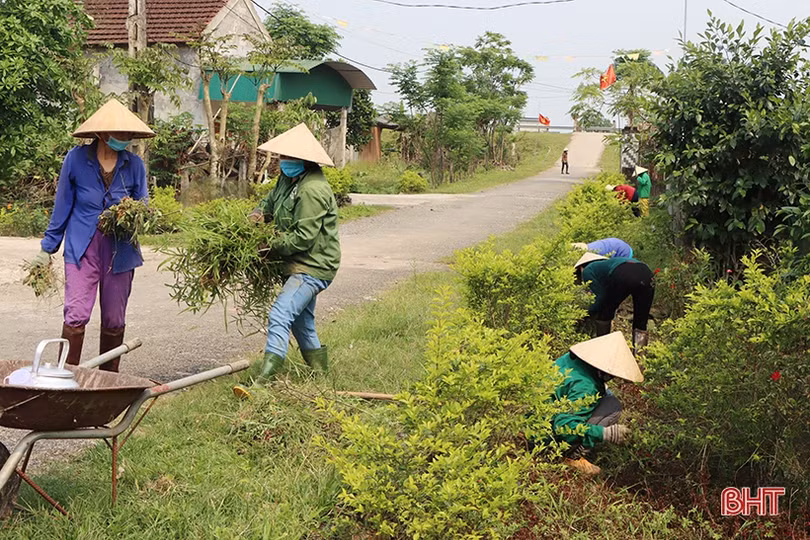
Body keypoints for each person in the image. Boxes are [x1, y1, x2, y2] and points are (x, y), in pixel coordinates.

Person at [29, 99, 153, 371]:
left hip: (120, 250)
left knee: (114, 317)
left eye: (127, 134)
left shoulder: (134, 165)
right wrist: (47, 248)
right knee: (76, 313)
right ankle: (66, 376)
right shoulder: (76, 159)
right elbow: (62, 206)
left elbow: (143, 202)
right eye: (119, 134)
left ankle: (107, 381)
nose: (125, 139)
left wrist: (132, 212)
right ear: (101, 134)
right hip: (82, 247)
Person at [234, 123, 340, 395]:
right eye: (282, 157)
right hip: (297, 264)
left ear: (303, 160)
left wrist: (268, 245)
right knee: (302, 321)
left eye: (287, 158)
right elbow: (268, 205)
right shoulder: (288, 180)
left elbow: (303, 237)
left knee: (281, 314)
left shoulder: (312, 190)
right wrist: (255, 216)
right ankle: (321, 379)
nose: (282, 163)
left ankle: (265, 382)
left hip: (313, 267)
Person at [551, 331, 643, 475]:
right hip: (544, 436)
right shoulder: (586, 387)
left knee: (607, 395)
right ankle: (571, 455)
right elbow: (563, 425)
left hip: (532, 421)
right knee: (613, 406)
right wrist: (605, 433)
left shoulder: (570, 359)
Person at [574, 252, 654, 354]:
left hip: (624, 273)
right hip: (647, 274)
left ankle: (602, 351)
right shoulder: (608, 264)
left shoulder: (588, 270)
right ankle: (640, 359)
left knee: (605, 313)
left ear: (580, 267)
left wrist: (585, 314)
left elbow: (601, 297)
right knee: (641, 322)